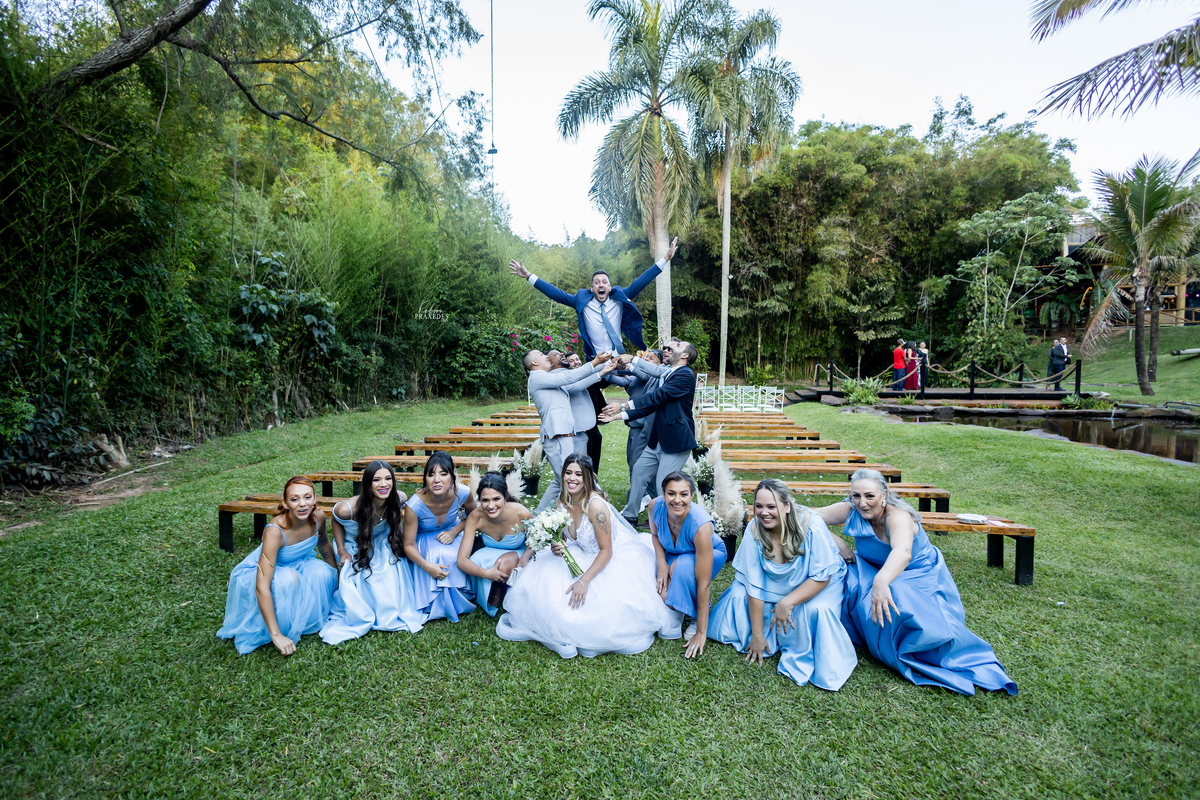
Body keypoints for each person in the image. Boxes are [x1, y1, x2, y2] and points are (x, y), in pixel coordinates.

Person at [813, 469, 1018, 696]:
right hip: (874, 568)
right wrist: (839, 543)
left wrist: (881, 581)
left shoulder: (898, 517)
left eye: (869, 496)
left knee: (898, 593)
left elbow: (902, 552)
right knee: (843, 576)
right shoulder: (851, 508)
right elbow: (806, 516)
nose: (862, 503)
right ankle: (866, 635)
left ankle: (921, 648)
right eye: (856, 496)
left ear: (884, 495)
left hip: (917, 573)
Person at [509, 238, 679, 466]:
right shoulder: (582, 300)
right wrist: (529, 276)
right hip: (596, 362)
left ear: (609, 287)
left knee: (642, 381)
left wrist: (665, 259)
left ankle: (646, 423)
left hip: (620, 360)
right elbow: (555, 293)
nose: (601, 285)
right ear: (592, 288)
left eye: (604, 282)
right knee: (581, 389)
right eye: (596, 282)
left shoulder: (619, 297)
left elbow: (642, 280)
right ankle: (582, 433)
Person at [495, 454, 675, 658]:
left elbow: (606, 551)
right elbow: (564, 536)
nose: (572, 478)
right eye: (568, 473)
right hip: (578, 552)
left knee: (586, 612)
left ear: (588, 477)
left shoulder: (596, 507)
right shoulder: (562, 501)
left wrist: (584, 581)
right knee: (547, 596)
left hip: (606, 558)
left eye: (578, 474)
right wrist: (557, 545)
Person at [707, 479, 857, 690]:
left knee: (815, 609)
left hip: (816, 581)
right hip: (774, 580)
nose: (764, 513)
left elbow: (822, 577)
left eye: (771, 506)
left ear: (787, 506)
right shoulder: (754, 529)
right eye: (759, 506)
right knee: (738, 595)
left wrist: (786, 602)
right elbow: (754, 585)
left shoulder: (811, 525)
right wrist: (757, 635)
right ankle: (765, 634)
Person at [217, 477, 338, 655]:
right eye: (295, 499)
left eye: (307, 497)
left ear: (314, 499)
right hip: (266, 572)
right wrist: (276, 635)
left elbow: (324, 544)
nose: (302, 504)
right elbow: (262, 587)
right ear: (286, 503)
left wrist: (339, 581)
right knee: (289, 579)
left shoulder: (318, 517)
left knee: (324, 572)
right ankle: (280, 627)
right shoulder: (274, 531)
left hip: (299, 563)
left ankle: (308, 618)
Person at [320, 461, 426, 644]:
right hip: (356, 545)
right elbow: (335, 521)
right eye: (377, 480)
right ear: (368, 483)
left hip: (382, 541)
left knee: (390, 568)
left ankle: (390, 609)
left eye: (388, 478)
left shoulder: (399, 497)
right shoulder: (347, 509)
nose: (383, 484)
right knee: (366, 576)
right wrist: (342, 550)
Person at [599, 342, 699, 528]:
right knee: (639, 471)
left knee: (665, 485)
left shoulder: (684, 375)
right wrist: (618, 416)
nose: (669, 349)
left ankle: (666, 525)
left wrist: (624, 405)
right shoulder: (668, 374)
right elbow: (652, 406)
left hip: (675, 441)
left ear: (684, 355)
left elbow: (657, 396)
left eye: (677, 346)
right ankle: (629, 516)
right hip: (657, 440)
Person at [646, 472, 727, 657]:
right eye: (671, 493)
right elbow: (655, 535)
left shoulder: (701, 526)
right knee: (664, 594)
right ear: (663, 493)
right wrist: (662, 563)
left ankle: (698, 615)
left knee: (681, 569)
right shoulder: (654, 506)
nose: (677, 500)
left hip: (709, 552)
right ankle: (687, 599)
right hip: (673, 551)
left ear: (691, 496)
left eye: (683, 494)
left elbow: (704, 583)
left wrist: (701, 633)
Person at [525, 348, 616, 513]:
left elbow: (577, 384)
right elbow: (569, 377)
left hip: (563, 435)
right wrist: (595, 362)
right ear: (534, 362)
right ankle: (581, 511)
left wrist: (601, 372)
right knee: (567, 479)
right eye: (542, 355)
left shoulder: (548, 380)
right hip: (556, 436)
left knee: (561, 479)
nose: (546, 357)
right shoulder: (537, 377)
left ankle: (538, 515)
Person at [402, 452, 477, 622]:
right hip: (423, 537)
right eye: (431, 475)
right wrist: (426, 566)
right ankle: (437, 602)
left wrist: (454, 531)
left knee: (457, 556)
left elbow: (474, 516)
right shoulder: (414, 506)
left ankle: (462, 595)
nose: (437, 480)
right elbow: (408, 545)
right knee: (438, 555)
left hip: (452, 530)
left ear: (452, 477)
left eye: (443, 474)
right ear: (425, 478)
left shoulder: (463, 493)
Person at [456, 472, 534, 616]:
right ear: (479, 500)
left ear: (505, 497)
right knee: (475, 560)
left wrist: (525, 557)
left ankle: (498, 593)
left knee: (502, 564)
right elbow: (461, 560)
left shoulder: (521, 513)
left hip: (517, 552)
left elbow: (535, 540)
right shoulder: (475, 517)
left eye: (496, 499)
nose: (491, 506)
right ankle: (491, 587)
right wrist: (486, 573)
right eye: (485, 500)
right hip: (489, 553)